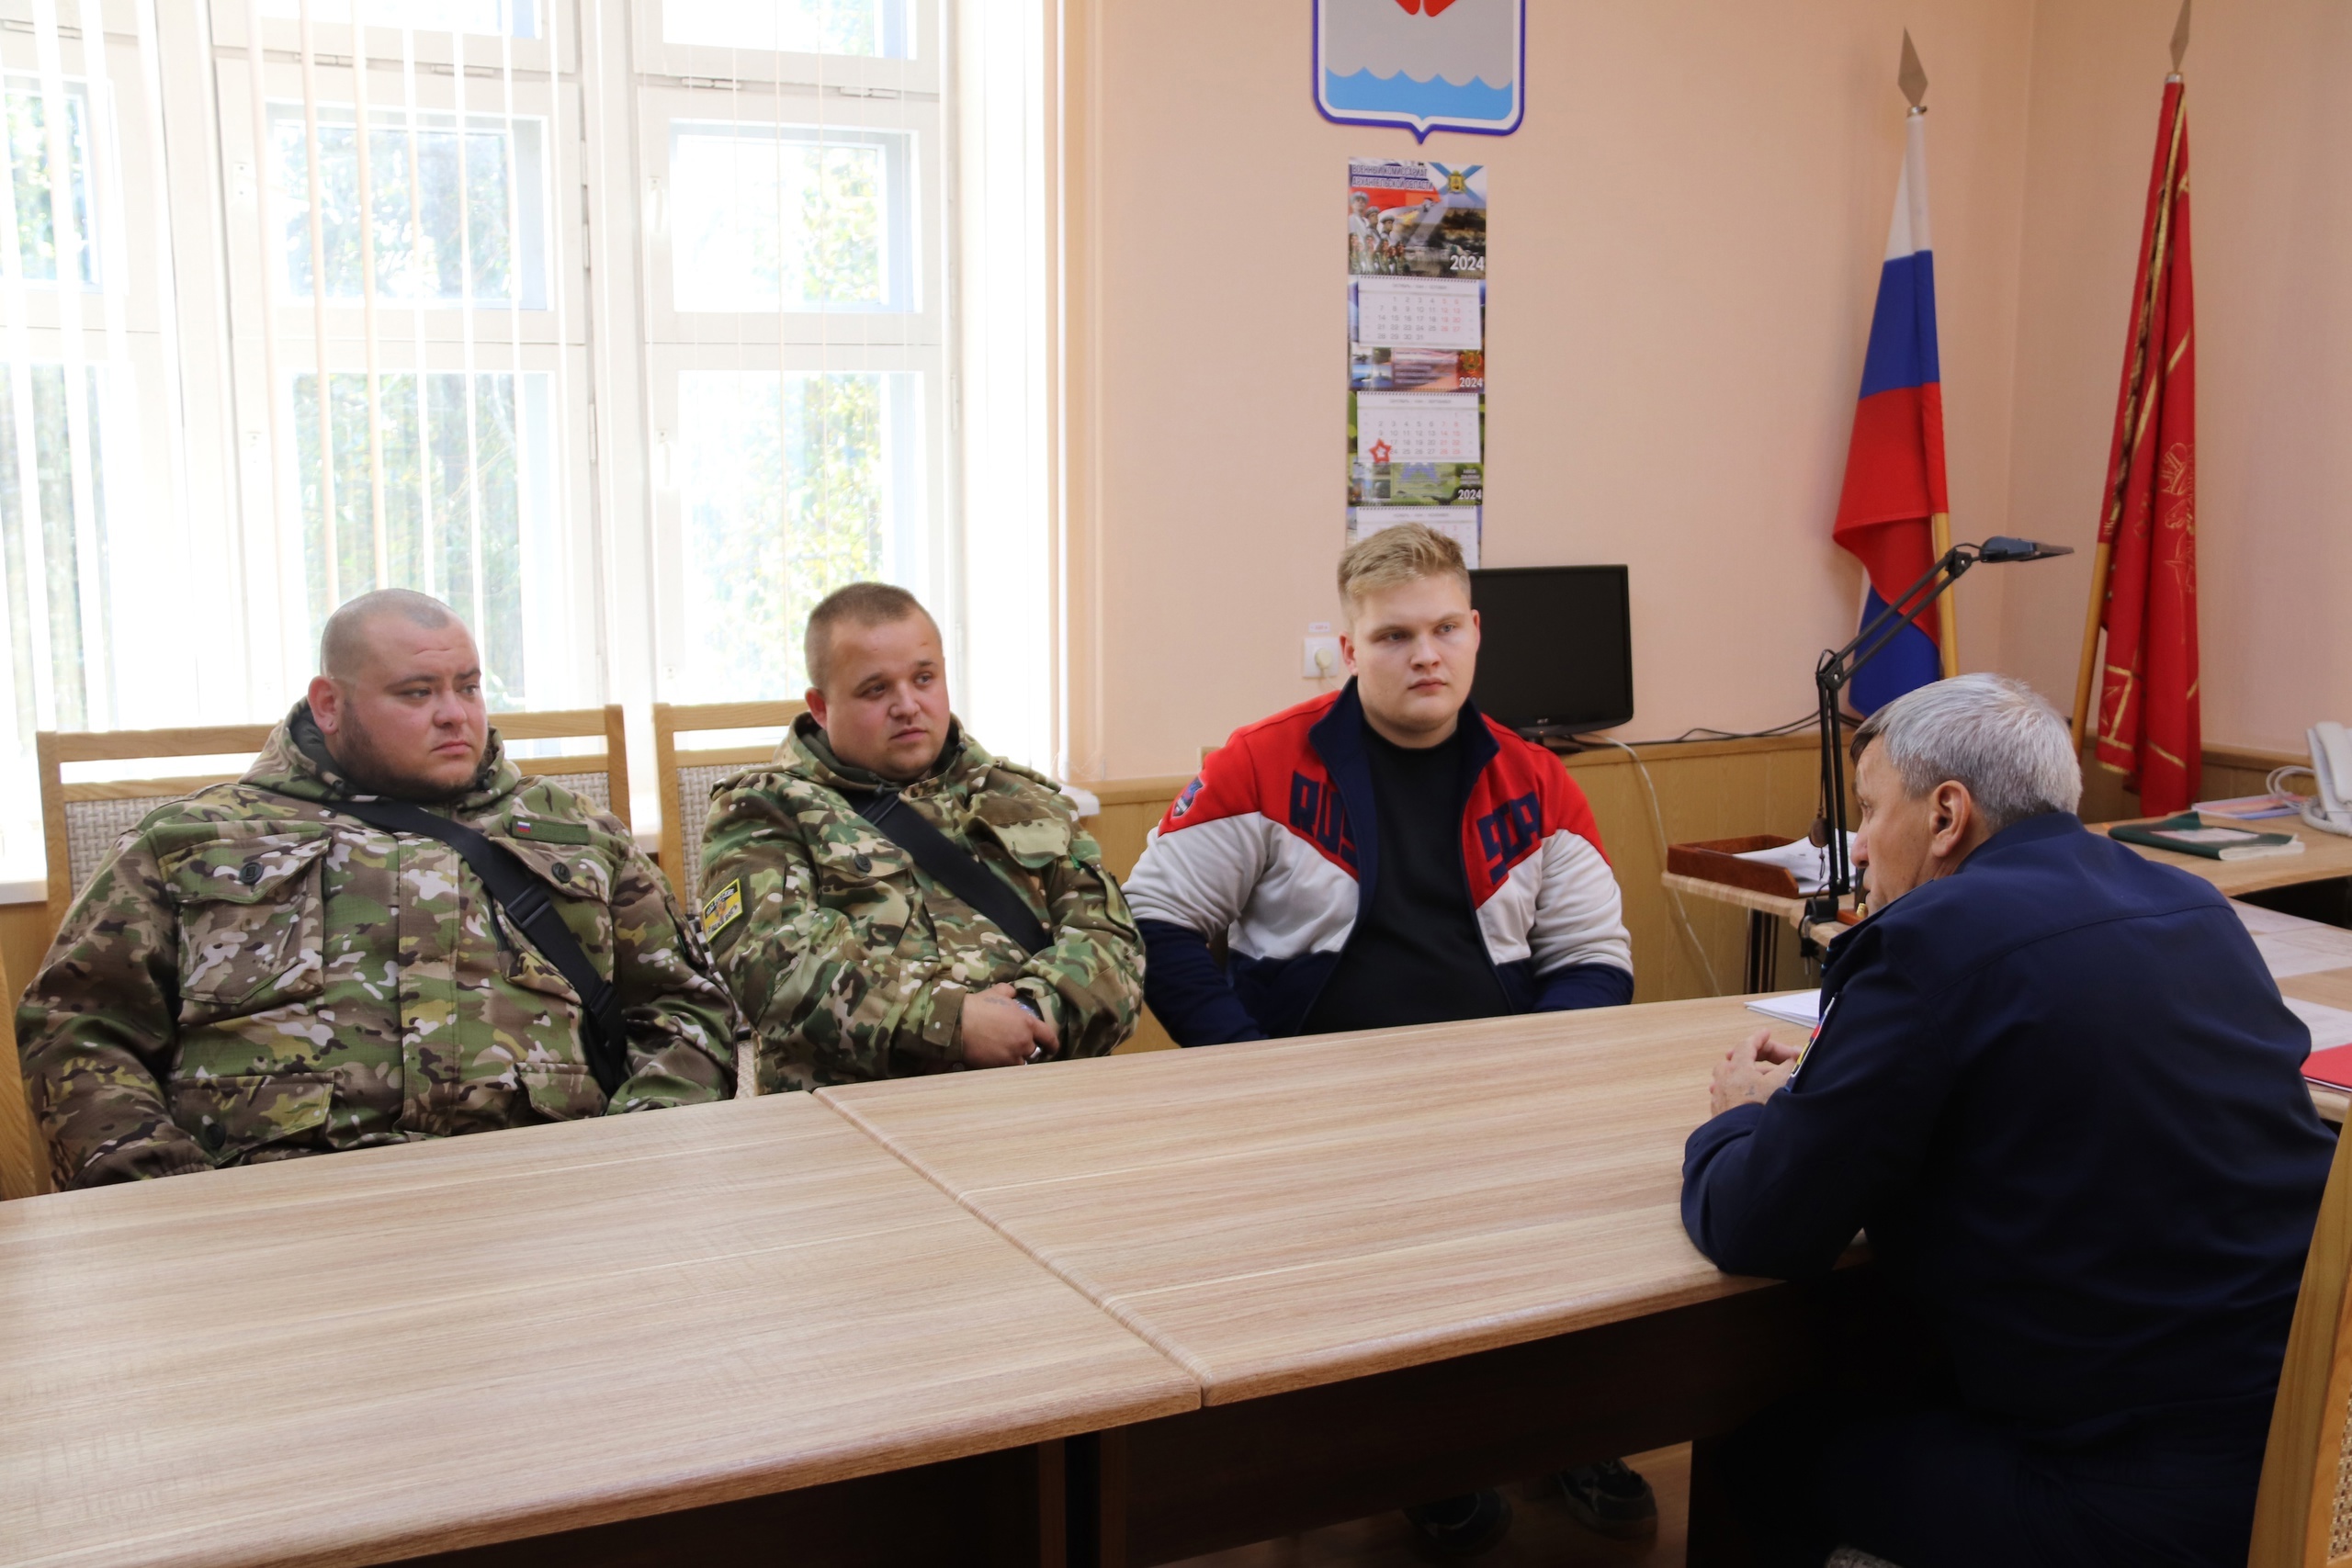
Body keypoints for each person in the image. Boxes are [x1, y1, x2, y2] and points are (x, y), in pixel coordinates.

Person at [1681, 674, 2335, 1568]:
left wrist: (1741, 1120)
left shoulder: (1926, 941)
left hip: (2125, 1503)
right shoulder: (2192, 907)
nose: (1861, 849)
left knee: (1761, 1450)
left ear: (1946, 814)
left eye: (1870, 812)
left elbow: (1761, 1227)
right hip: (2308, 1455)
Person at [1123, 522, 1646, 1555]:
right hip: (1319, 1104)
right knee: (1376, 1309)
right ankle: (1416, 1463)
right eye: (1395, 635)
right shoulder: (1262, 764)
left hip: (1496, 1091)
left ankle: (1568, 1433)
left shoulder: (1538, 780)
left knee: (1574, 1254)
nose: (1425, 655)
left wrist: (1531, 1073)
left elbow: (1596, 956)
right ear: (1348, 647)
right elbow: (1153, 919)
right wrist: (1248, 1068)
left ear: (1476, 631)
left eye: (1445, 628)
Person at [19, 589, 742, 1190]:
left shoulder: (579, 835)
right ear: (329, 704)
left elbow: (686, 1008)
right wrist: (170, 1201)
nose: (455, 713)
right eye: (416, 692)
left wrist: (631, 1162)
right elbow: (80, 1027)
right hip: (269, 1214)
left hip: (546, 1198)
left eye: (469, 685)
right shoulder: (190, 842)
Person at [698, 582, 1144, 1092]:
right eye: (875, 689)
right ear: (820, 707)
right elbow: (777, 974)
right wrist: (954, 1025)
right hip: (861, 1120)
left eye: (924, 678)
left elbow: (1114, 946)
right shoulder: (762, 811)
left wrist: (1026, 1014)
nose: (907, 705)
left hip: (1040, 1099)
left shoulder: (1019, 795)